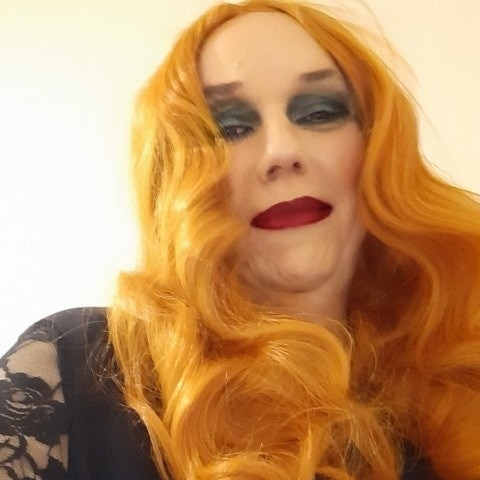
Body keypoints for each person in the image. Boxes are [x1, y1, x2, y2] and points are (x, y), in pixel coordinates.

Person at [1, 1, 479, 479]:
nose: (282, 152)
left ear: (377, 143)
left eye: (319, 112)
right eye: (229, 127)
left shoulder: (460, 394)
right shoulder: (74, 373)